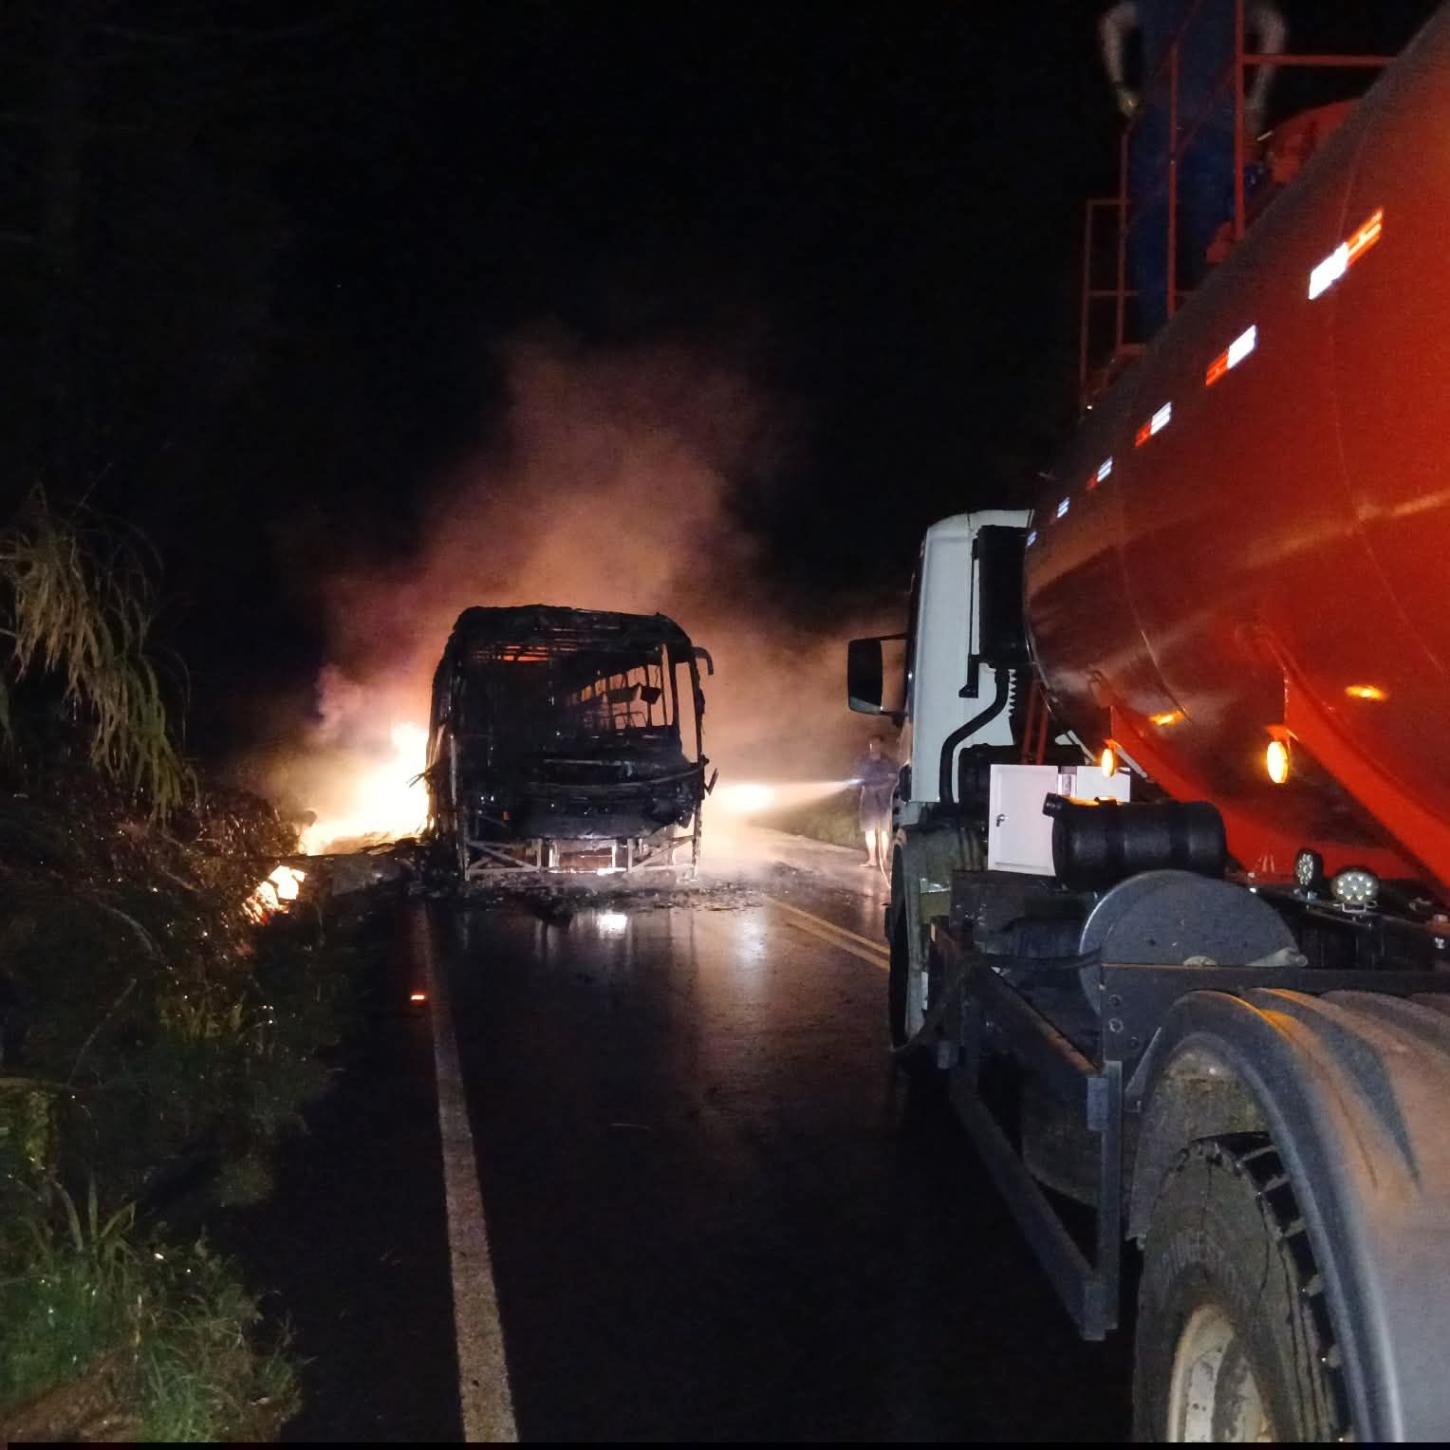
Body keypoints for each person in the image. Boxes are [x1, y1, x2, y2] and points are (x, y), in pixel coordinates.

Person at [1100, 0, 1286, 336]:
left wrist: (1119, 89)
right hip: (1218, 125)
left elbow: (1112, 22)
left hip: (1161, 123)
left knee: (1152, 231)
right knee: (1211, 231)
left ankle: (1161, 335)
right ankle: (1212, 323)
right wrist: (1256, 99)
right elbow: (1274, 26)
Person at [853, 735, 898, 872]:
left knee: (884, 830)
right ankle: (872, 859)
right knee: (869, 829)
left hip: (884, 800)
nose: (874, 746)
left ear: (881, 745)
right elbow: (857, 778)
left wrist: (879, 788)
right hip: (868, 799)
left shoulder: (888, 762)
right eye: (872, 744)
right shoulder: (863, 761)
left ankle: (883, 859)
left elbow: (893, 779)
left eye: (877, 744)